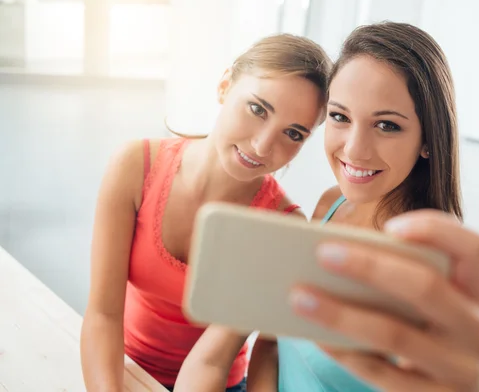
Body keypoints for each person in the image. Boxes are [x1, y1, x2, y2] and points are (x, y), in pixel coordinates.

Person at [242, 22, 479, 391]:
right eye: (340, 117)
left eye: (387, 125)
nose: (354, 149)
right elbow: (272, 339)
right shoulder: (330, 205)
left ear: (428, 140)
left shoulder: (429, 267)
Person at [80, 33, 332, 392]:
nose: (262, 145)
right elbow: (103, 314)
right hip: (122, 368)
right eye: (257, 109)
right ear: (225, 85)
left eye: (292, 133)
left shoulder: (283, 227)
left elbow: (212, 360)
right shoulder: (135, 167)